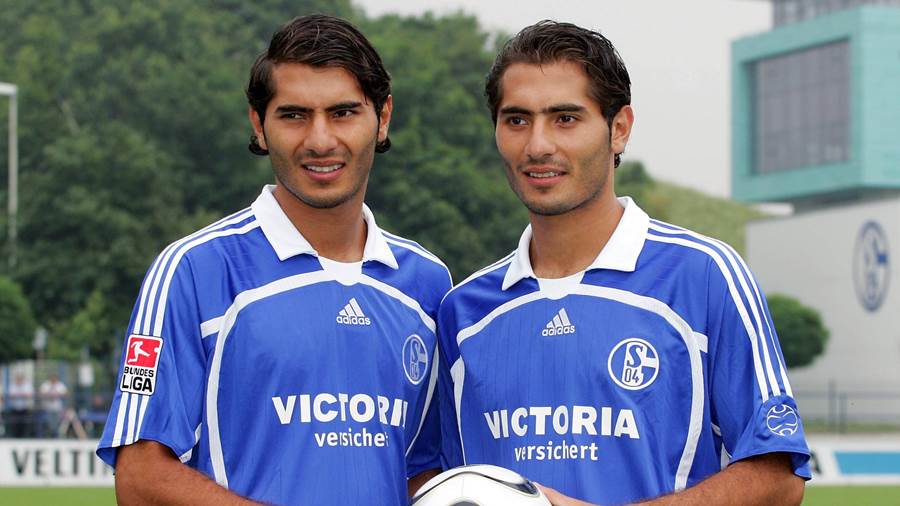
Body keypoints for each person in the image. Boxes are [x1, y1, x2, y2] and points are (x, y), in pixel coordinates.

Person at [437, 21, 809, 506]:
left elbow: (779, 478)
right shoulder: (464, 312)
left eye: (565, 118)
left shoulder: (704, 275)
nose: (538, 145)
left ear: (619, 129)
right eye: (517, 120)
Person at [96, 15, 450, 505]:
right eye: (294, 115)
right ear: (258, 125)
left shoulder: (428, 284)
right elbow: (140, 479)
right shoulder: (193, 270)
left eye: (343, 113)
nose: (320, 140)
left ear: (383, 117)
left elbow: (421, 473)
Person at [5, 373, 34, 438]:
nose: (19, 381)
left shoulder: (27, 386)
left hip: (25, 407)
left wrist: (20, 395)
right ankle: (15, 436)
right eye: (18, 379)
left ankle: (24, 436)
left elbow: (29, 394)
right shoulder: (12, 386)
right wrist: (21, 395)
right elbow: (11, 395)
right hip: (15, 407)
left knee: (24, 422)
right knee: (15, 423)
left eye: (20, 379)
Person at [39, 373, 68, 437]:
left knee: (57, 421)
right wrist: (49, 394)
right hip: (47, 407)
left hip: (57, 407)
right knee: (49, 421)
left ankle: (55, 433)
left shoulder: (60, 385)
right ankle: (50, 433)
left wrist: (58, 394)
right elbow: (41, 393)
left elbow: (66, 393)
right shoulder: (45, 385)